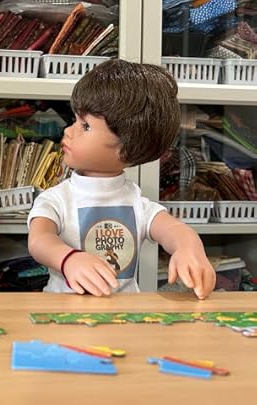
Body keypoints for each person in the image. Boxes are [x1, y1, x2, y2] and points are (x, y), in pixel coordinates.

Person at [27, 59, 216, 299]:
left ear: (127, 148)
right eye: (75, 120)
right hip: (63, 309)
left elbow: (175, 230)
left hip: (123, 313)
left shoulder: (135, 202)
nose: (68, 130)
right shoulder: (56, 199)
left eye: (85, 126)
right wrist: (68, 259)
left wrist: (189, 248)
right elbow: (40, 240)